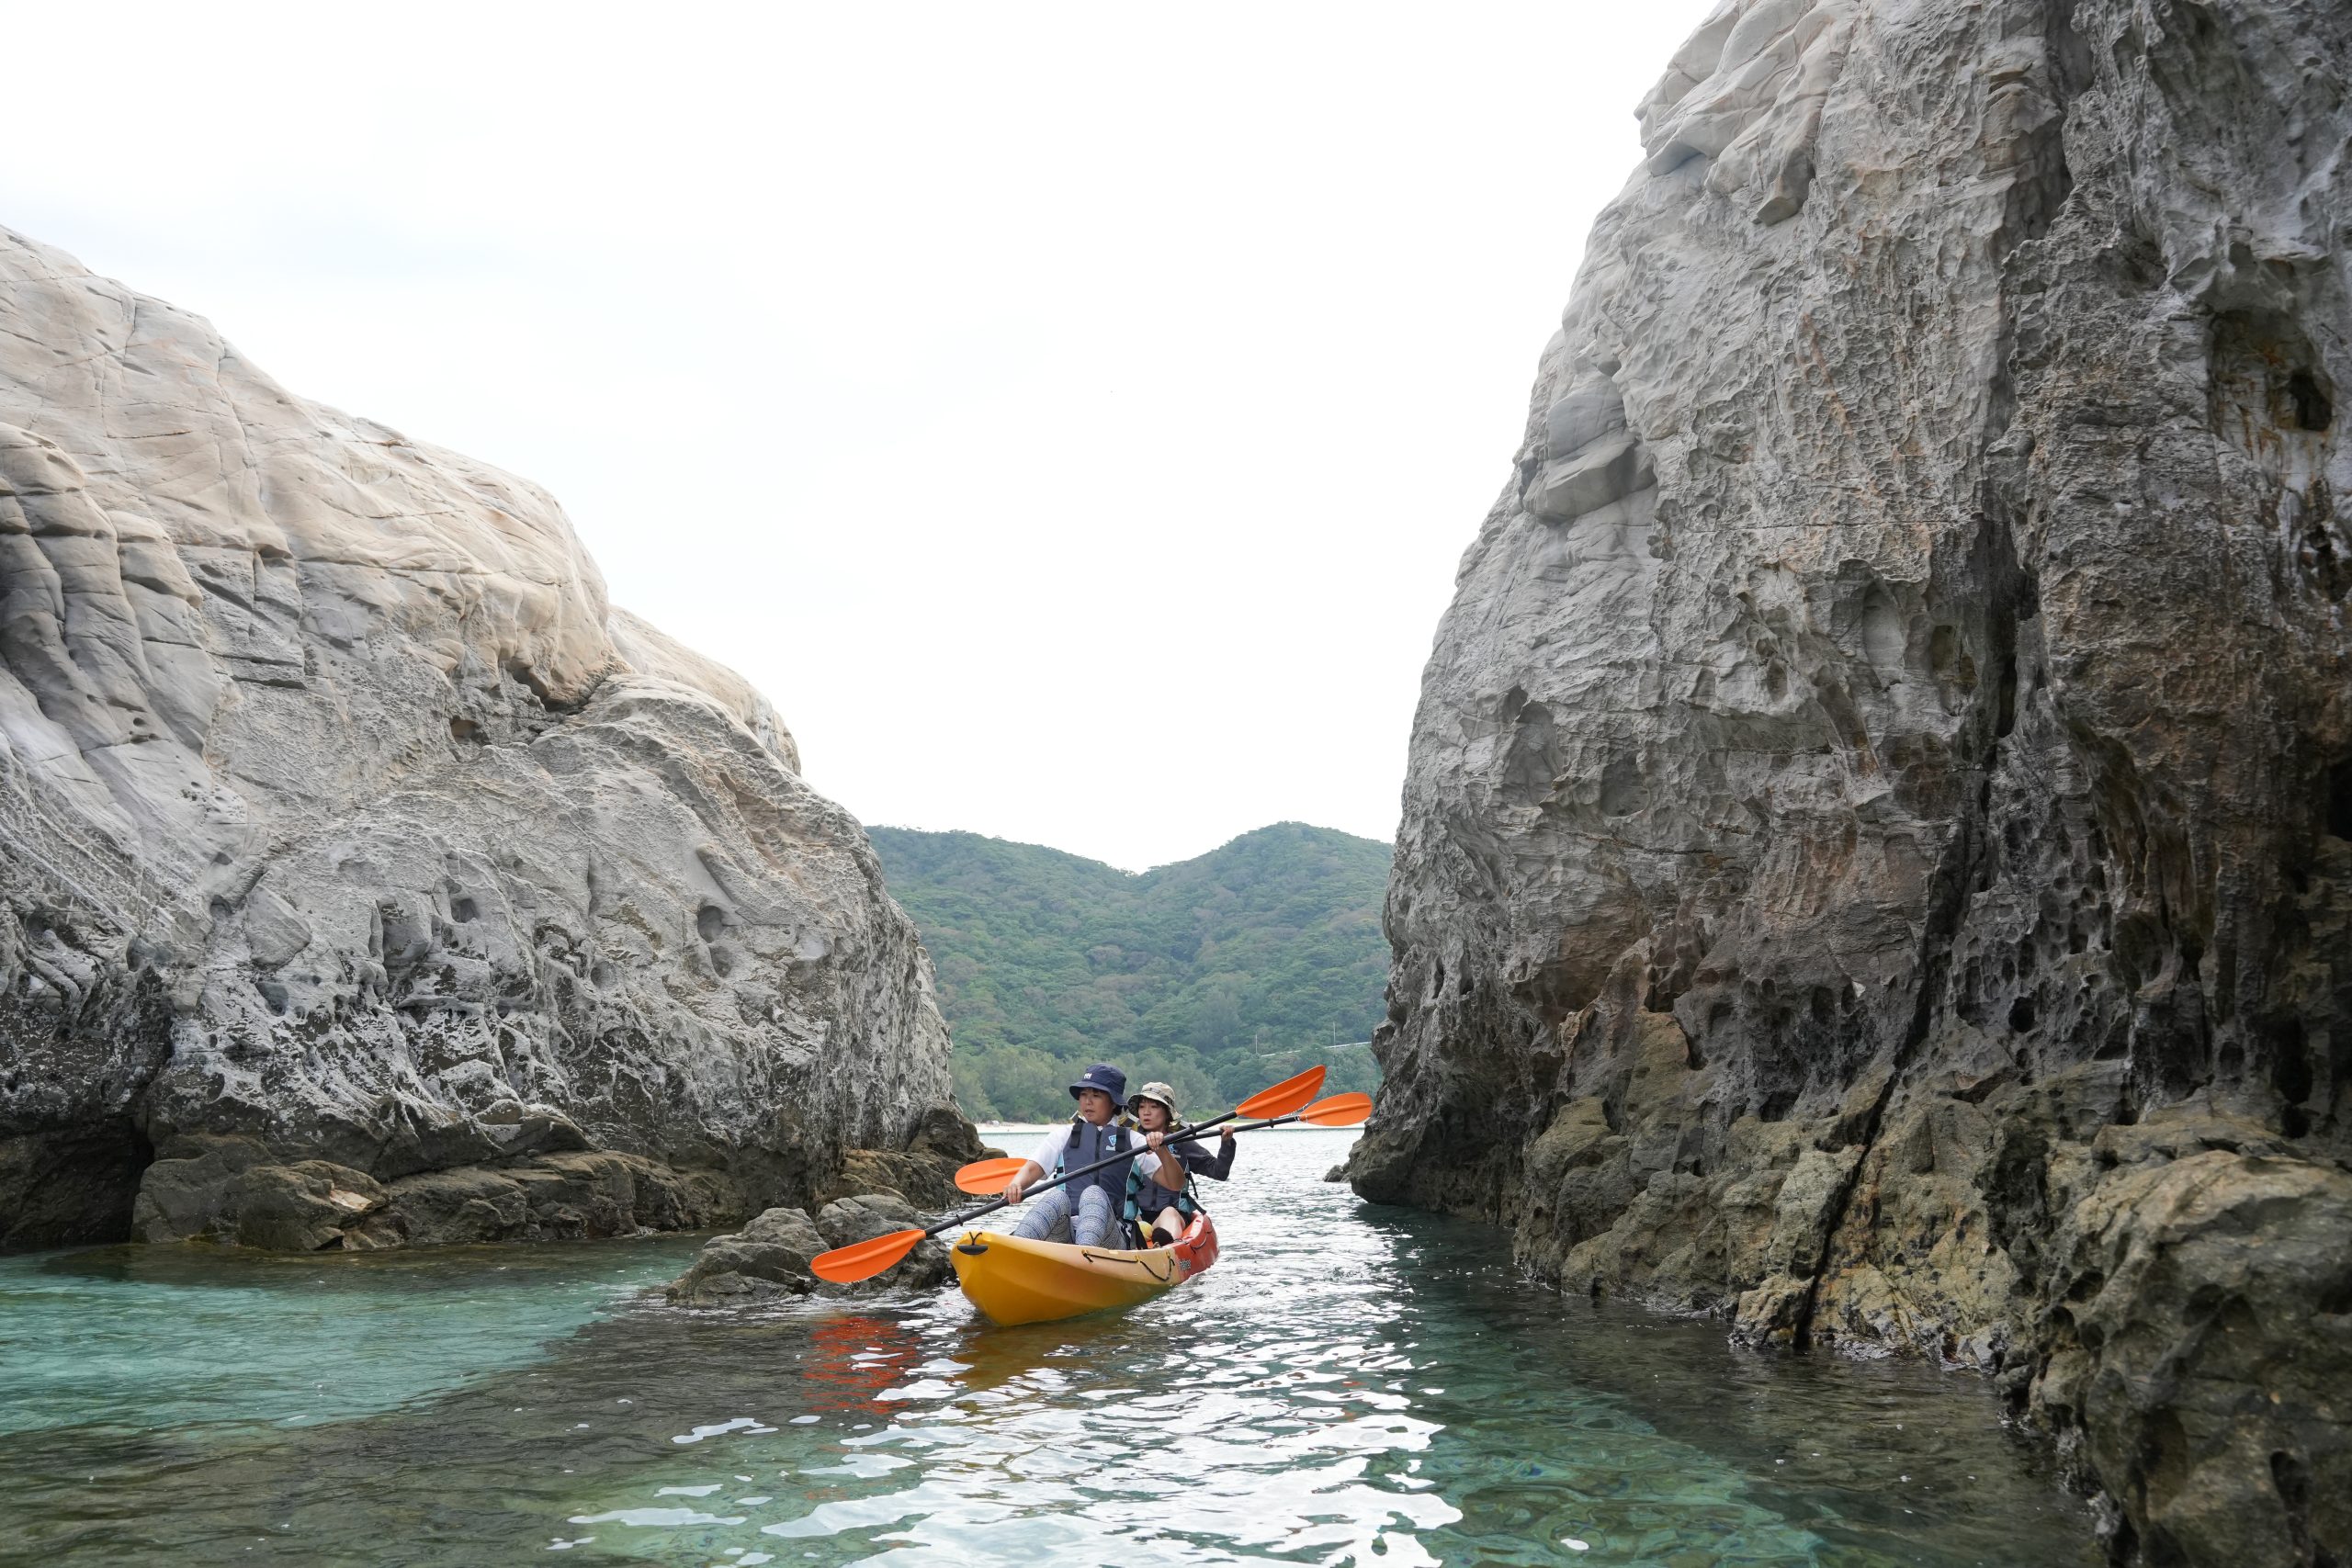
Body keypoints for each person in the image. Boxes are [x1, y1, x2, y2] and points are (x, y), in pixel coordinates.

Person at [1002, 1063, 1183, 1248]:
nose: (1087, 1102)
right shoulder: (1064, 1135)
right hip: (1066, 1234)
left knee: (1093, 1193)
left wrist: (1162, 1150)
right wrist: (1017, 1183)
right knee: (1056, 1197)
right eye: (1083, 1095)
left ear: (1113, 1102)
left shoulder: (1135, 1141)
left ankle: (1085, 1256)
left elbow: (1175, 1183)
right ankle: (1015, 1249)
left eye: (1096, 1095)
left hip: (1114, 1234)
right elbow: (1033, 1168)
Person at [1123, 1081, 1236, 1246]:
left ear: (1167, 1113)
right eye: (1142, 1107)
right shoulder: (1130, 1142)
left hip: (1173, 1215)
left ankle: (1166, 1248)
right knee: (1131, 1217)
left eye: (1154, 1107)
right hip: (1137, 1216)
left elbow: (1219, 1172)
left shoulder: (1183, 1143)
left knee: (1169, 1213)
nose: (1146, 1112)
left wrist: (1226, 1144)